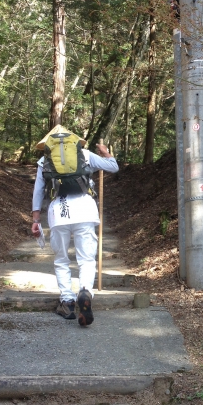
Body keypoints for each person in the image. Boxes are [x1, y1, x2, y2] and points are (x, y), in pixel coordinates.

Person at [31, 125, 119, 326]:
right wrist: (107, 154)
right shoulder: (85, 155)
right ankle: (85, 291)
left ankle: (67, 301)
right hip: (85, 210)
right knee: (86, 259)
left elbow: (38, 191)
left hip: (58, 213)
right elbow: (113, 167)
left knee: (61, 259)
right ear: (74, 142)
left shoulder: (44, 160)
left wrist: (36, 220)